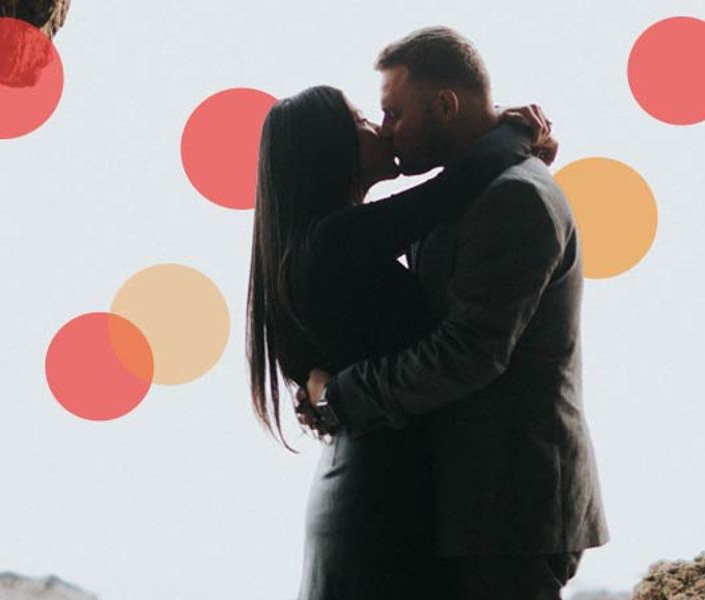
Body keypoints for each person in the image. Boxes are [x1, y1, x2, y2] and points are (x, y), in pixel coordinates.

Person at [301, 26, 608, 600]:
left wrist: (340, 395)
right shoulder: (467, 192)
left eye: (394, 113)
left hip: (509, 504)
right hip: (474, 501)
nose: (386, 130)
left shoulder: (512, 196)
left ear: (444, 106)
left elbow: (468, 352)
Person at [245, 81, 553, 598]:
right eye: (362, 120)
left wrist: (326, 392)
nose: (379, 128)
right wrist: (517, 128)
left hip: (371, 482)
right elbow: (456, 186)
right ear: (333, 149)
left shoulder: (316, 246)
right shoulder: (336, 239)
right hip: (381, 498)